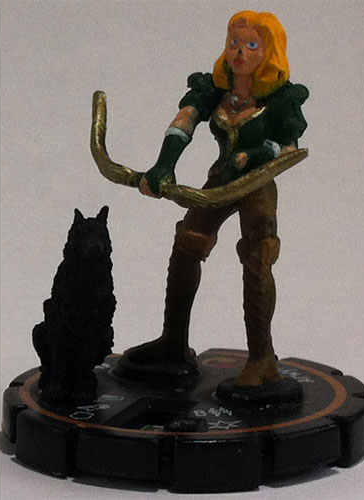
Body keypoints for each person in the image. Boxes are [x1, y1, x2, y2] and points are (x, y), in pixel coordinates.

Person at [118, 10, 308, 391]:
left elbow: (289, 148)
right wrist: (164, 166)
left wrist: (256, 155)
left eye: (251, 45)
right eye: (234, 43)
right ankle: (173, 343)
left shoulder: (281, 99)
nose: (239, 52)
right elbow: (185, 119)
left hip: (257, 185)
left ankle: (262, 359)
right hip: (221, 180)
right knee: (188, 242)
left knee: (258, 256)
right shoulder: (216, 89)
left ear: (269, 52)